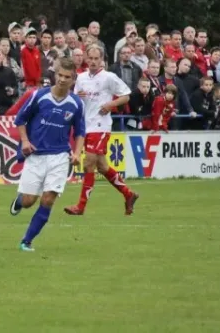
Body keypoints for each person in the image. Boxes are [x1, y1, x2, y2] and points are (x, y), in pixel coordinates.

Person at [9, 59, 85, 251]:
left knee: (48, 199)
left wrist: (76, 153)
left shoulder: (76, 103)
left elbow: (80, 132)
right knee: (28, 202)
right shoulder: (38, 95)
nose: (62, 80)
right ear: (55, 74)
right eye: (60, 75)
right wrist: (25, 141)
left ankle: (26, 241)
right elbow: (20, 119)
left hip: (60, 157)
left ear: (73, 79)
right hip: (36, 155)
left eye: (67, 77)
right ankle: (18, 201)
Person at [64, 45, 139, 216]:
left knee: (89, 162)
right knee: (103, 166)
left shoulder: (109, 77)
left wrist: (110, 104)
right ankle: (129, 194)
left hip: (101, 125)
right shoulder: (81, 78)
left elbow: (126, 95)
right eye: (90, 58)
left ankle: (80, 206)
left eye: (96, 58)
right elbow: (76, 101)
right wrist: (77, 97)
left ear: (102, 60)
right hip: (86, 125)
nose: (93, 61)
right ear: (85, 58)